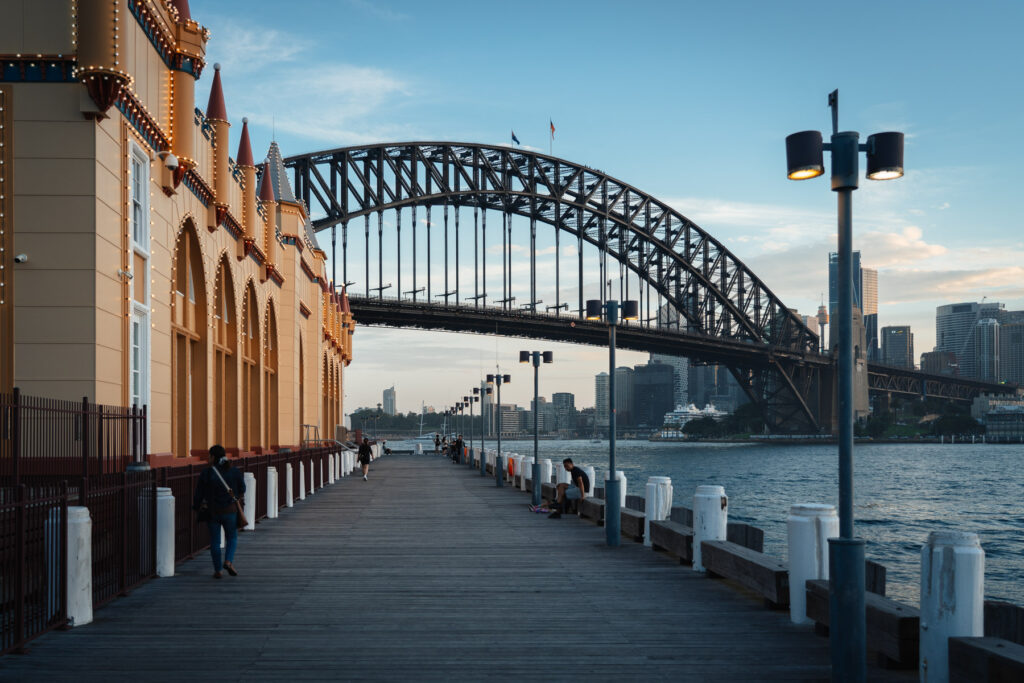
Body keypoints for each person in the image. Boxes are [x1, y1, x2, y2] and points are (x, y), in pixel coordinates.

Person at [192, 444, 246, 579]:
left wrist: (196, 507)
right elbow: (242, 488)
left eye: (209, 456)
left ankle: (217, 570)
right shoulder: (233, 471)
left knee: (215, 541)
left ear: (213, 457)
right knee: (232, 537)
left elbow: (199, 493)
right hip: (230, 511)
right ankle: (228, 561)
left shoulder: (207, 472)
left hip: (212, 512)